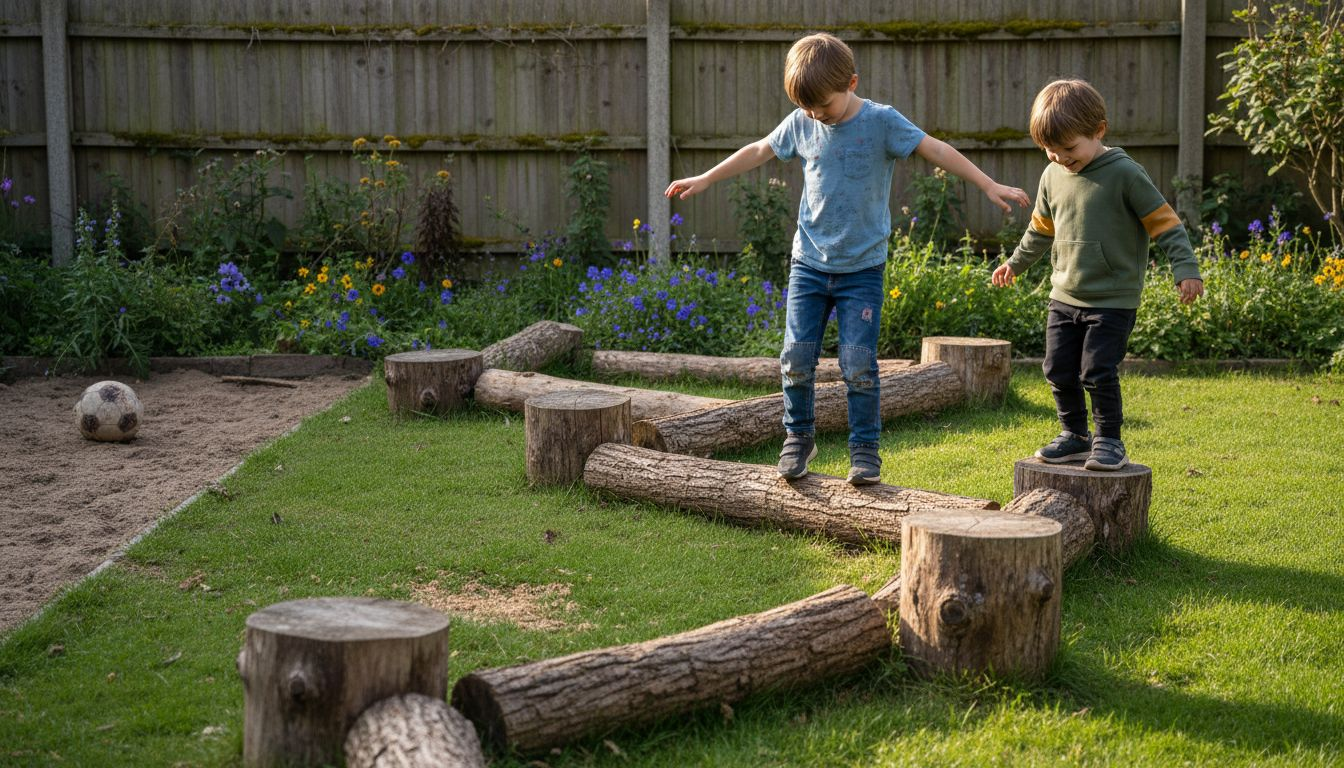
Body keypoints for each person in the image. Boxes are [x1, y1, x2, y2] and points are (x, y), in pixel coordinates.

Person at [666, 32, 1029, 484]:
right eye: (808, 108)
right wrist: (706, 177)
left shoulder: (881, 122)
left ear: (851, 82)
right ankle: (798, 437)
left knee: (858, 364)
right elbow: (759, 150)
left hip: (862, 270)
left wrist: (986, 183)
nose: (817, 115)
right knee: (795, 359)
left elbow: (934, 148)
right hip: (809, 266)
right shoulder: (802, 122)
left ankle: (864, 451)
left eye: (824, 106)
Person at [991, 78, 1204, 471]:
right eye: (1049, 150)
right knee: (1056, 368)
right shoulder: (1052, 176)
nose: (1058, 157)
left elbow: (1165, 224)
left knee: (1097, 370)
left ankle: (1109, 440)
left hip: (1112, 299)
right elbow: (1040, 230)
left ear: (1098, 131)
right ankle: (1074, 435)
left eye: (1068, 148)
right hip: (1064, 296)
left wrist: (1186, 268)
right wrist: (1014, 263)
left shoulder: (1125, 173)